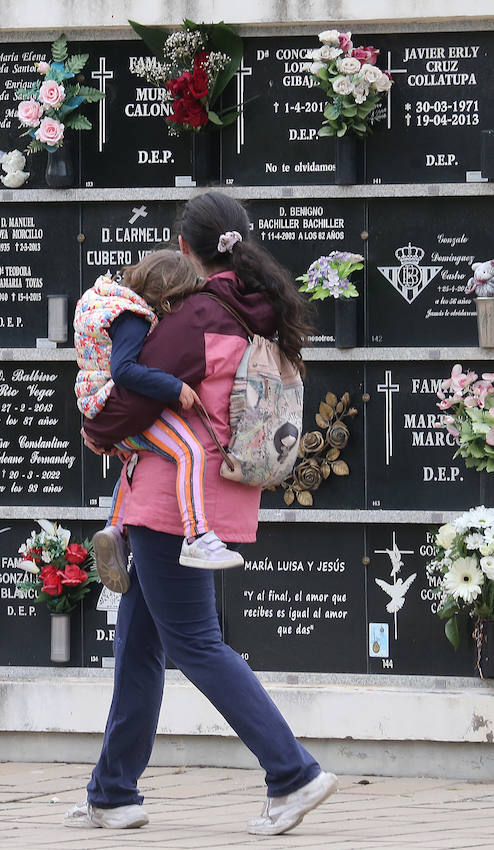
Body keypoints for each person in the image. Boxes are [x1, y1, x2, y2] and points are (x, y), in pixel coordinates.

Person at [67, 192, 334, 837]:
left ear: (186, 249)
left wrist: (96, 430)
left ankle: (292, 773)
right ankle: (113, 792)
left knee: (196, 645)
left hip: (172, 502)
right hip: (224, 492)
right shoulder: (262, 308)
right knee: (137, 646)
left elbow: (130, 396)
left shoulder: (197, 314)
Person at [74, 250, 244, 594]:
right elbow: (123, 370)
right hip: (109, 400)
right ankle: (197, 535)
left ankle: (114, 528)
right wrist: (174, 386)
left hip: (96, 403)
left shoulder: (109, 300)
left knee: (138, 453)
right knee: (190, 452)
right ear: (168, 297)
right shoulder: (133, 317)